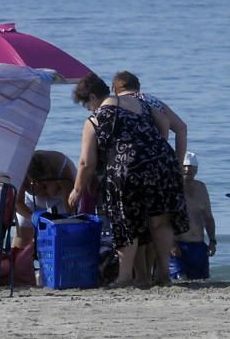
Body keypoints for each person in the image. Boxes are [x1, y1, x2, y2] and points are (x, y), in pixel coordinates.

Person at [69, 73, 188, 287]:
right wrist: (154, 152)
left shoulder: (94, 119)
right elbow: (165, 123)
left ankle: (125, 277)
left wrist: (77, 190)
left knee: (125, 224)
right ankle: (163, 274)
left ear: (94, 97)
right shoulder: (139, 102)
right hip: (162, 163)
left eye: (86, 103)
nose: (87, 108)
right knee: (159, 221)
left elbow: (87, 163)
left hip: (126, 168)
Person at [111, 71, 188, 172]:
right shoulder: (152, 100)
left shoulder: (115, 103)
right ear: (138, 86)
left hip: (127, 161)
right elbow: (181, 128)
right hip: (158, 158)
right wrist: (179, 164)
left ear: (115, 90)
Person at [13, 150, 77, 248]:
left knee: (62, 234)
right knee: (23, 233)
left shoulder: (62, 170)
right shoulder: (21, 171)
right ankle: (18, 260)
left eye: (45, 186)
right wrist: (33, 217)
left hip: (60, 199)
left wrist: (63, 220)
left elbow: (70, 209)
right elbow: (17, 203)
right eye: (39, 185)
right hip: (31, 198)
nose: (43, 190)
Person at [170, 152, 217, 280]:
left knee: (201, 281)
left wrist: (212, 241)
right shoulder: (173, 188)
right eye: (184, 167)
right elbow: (165, 220)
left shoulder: (201, 188)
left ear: (196, 170)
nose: (187, 170)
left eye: (190, 168)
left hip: (199, 246)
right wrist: (172, 244)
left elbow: (208, 218)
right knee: (181, 279)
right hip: (179, 245)